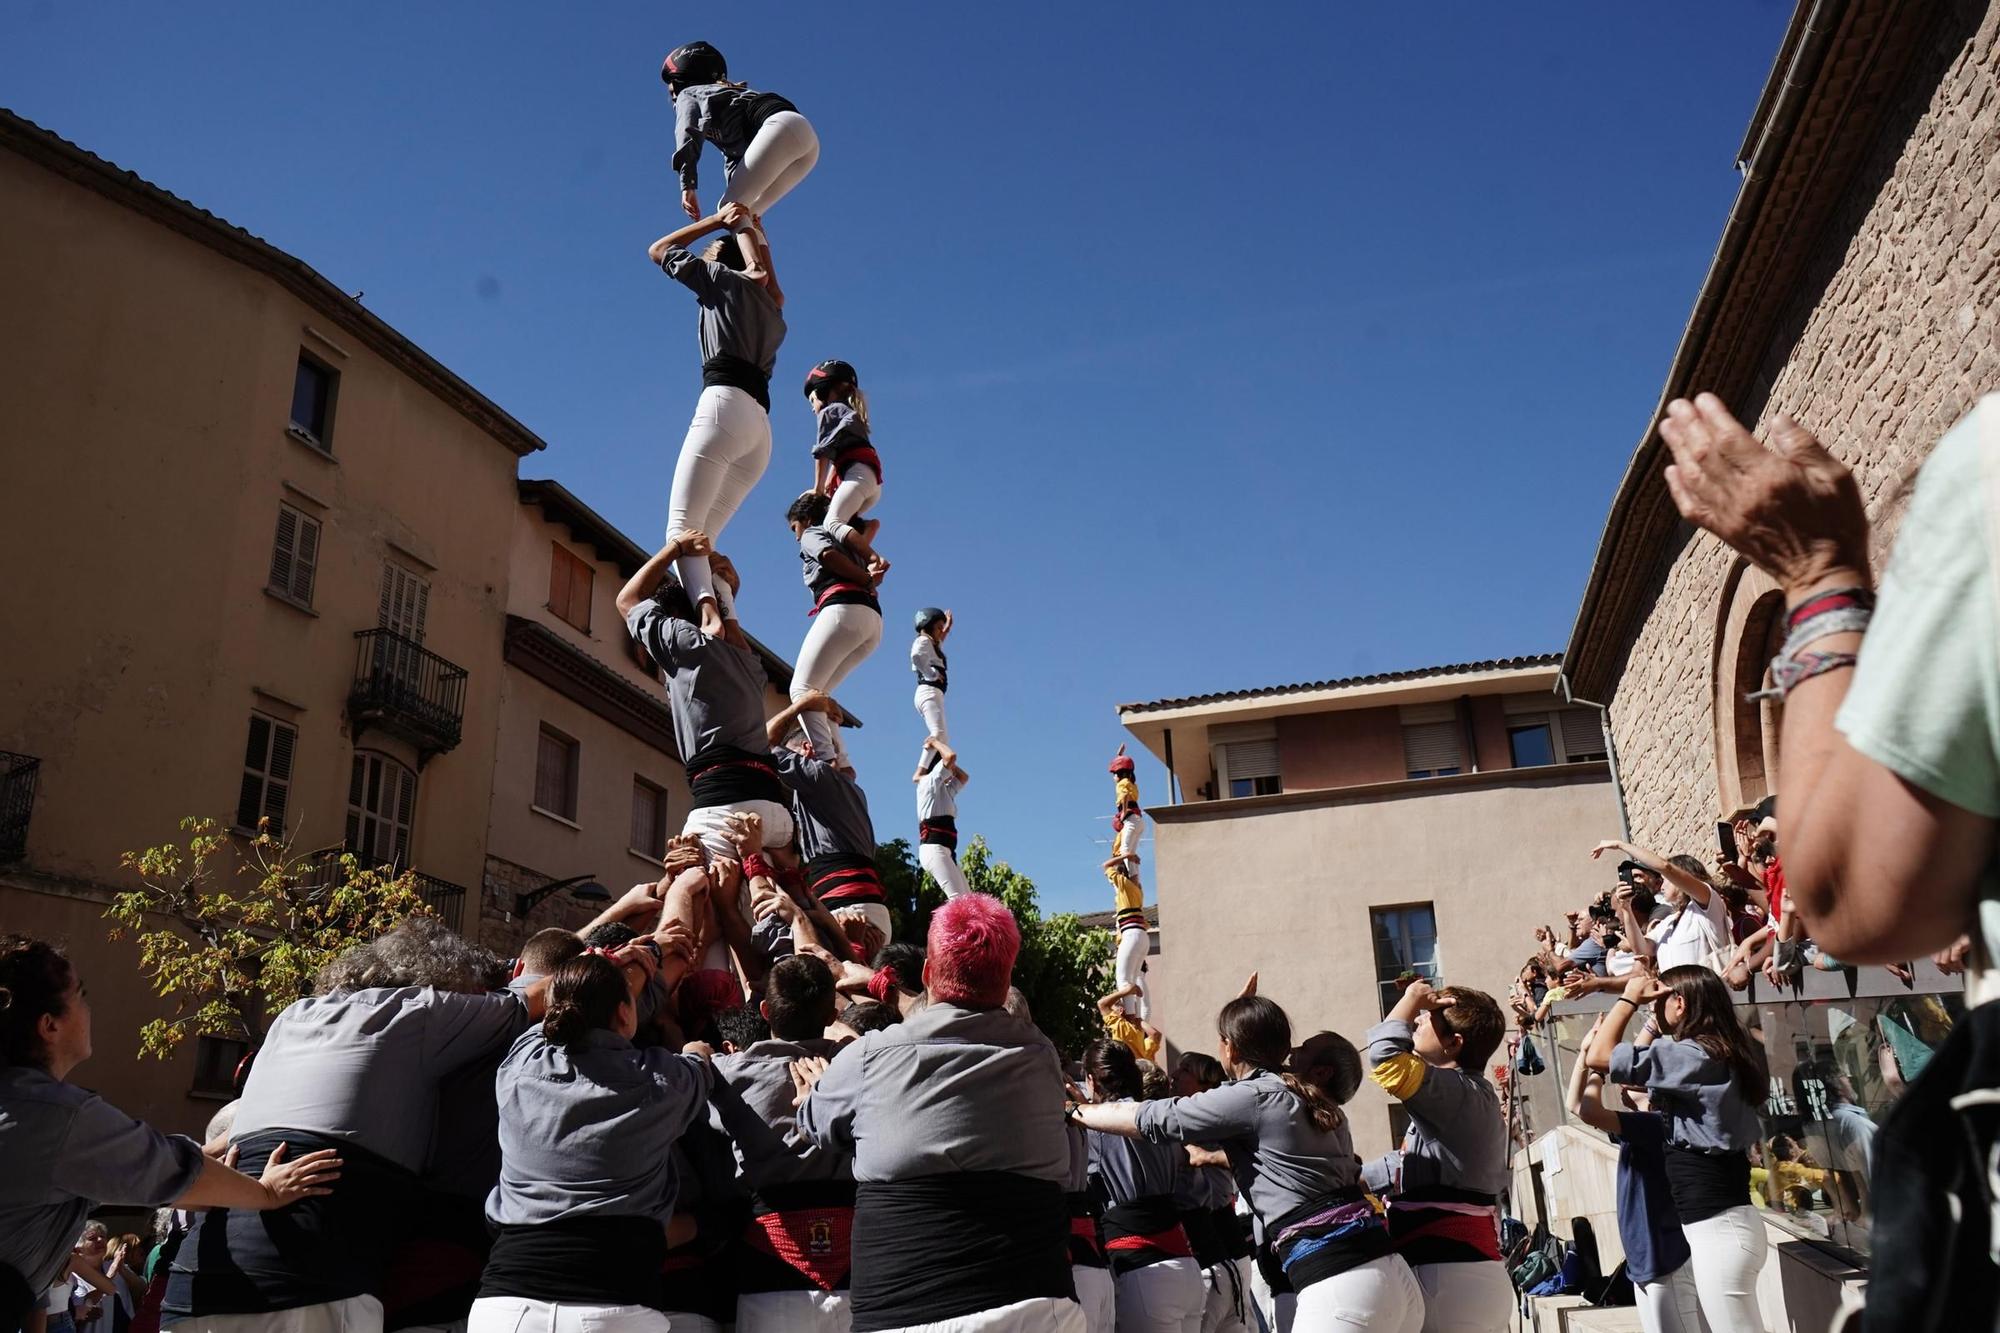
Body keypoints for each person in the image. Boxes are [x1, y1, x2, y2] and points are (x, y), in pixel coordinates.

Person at [165, 919, 528, 1333]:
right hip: (309, 1285)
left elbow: (183, 1169)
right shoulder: (421, 1011)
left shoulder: (290, 1020)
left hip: (195, 1283)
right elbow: (538, 986)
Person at [0, 935, 341, 1333]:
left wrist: (225, 1144)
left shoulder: (27, 1107)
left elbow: (132, 1161)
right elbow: (162, 1169)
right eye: (81, 995)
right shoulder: (58, 1117)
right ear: (49, 1024)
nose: (90, 1008)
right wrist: (265, 1192)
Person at [796, 895, 1085, 1331]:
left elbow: (815, 1126)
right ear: (1006, 984)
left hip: (910, 1316)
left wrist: (813, 1096)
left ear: (929, 972)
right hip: (1042, 1308)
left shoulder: (871, 1055)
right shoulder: (1042, 1055)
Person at [1074, 995, 1423, 1332]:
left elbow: (1154, 1118)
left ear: (1230, 1047)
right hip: (1392, 1275)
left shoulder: (1257, 1098)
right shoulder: (1311, 1099)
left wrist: (1076, 1111)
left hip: (1342, 1281)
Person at [470, 945, 713, 1332]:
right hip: (615, 1307)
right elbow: (698, 1065)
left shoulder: (517, 1066)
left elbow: (548, 1019)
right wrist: (697, 1051)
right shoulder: (664, 1082)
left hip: (504, 1306)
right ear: (623, 1012)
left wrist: (611, 969)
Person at [1584, 964, 1769, 1333]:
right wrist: (1652, 1019)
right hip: (1724, 1226)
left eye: (1658, 1000)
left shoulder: (1694, 1056)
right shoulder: (1716, 1051)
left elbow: (1600, 1056)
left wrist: (1628, 1001)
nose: (1652, 1007)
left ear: (1679, 1003)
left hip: (1721, 1229)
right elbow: (1632, 1077)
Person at [644, 199, 786, 637]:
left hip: (725, 409)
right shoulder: (771, 310)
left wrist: (722, 222)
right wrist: (756, 235)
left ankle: (709, 615)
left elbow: (658, 249)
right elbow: (771, 285)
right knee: (705, 538)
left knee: (682, 531)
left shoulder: (721, 280)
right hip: (758, 429)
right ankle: (731, 623)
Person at [619, 553, 799, 862]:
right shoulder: (751, 664)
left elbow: (627, 600)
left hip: (725, 807)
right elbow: (725, 632)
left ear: (674, 617)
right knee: (761, 901)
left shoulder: (684, 642)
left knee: (682, 893)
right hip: (776, 818)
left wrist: (676, 547)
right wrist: (721, 591)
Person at [709, 955, 855, 1331]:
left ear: (764, 1012)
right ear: (829, 1016)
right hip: (857, 1274)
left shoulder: (728, 1075)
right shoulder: (861, 1067)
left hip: (767, 1274)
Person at [1362, 981, 1512, 1333]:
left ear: (1453, 1044)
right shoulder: (1464, 1097)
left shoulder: (1459, 1094)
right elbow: (1418, 1162)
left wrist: (1410, 999)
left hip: (1450, 1275)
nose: (1416, 1022)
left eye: (1428, 1020)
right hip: (1459, 1276)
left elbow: (1386, 1058)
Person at [1565, 1013, 1701, 1333]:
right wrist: (1586, 1054)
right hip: (1647, 1264)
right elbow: (1575, 1105)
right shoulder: (1641, 1127)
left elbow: (1587, 1109)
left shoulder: (1658, 1126)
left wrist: (1597, 1063)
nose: (1624, 1080)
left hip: (1668, 1260)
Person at [1076, 1041, 1204, 1333]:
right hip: (1186, 1267)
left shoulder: (1097, 1125)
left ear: (1092, 1080)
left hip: (1144, 1270)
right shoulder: (1157, 1115)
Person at [664, 41, 820, 225]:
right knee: (748, 213)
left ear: (684, 80)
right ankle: (753, 253)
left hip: (780, 126)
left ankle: (750, 254)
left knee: (729, 208)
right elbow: (735, 161)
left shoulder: (689, 94)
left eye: (673, 90)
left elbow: (688, 133)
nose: (673, 99)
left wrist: (687, 185)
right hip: (807, 143)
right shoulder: (725, 103)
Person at [771, 713, 893, 949]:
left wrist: (802, 706)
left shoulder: (820, 777)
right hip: (859, 906)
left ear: (806, 750)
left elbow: (764, 743)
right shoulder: (846, 787)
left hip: (848, 908)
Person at [784, 491, 883, 759]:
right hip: (872, 621)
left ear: (805, 519)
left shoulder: (813, 532)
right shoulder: (847, 535)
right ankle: (843, 762)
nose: (795, 536)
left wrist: (865, 578)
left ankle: (827, 760)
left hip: (843, 609)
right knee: (820, 694)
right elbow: (873, 524)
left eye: (794, 527)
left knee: (802, 691)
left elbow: (827, 556)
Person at [1168, 1053, 1251, 1333]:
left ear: (1205, 1086)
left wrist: (1202, 1154)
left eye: (1185, 1070)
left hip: (1218, 1253)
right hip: (1224, 1254)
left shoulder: (1209, 1125)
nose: (1175, 1074)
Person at [1591, 840, 1729, 973]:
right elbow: (1641, 948)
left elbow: (1665, 866)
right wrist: (1626, 907)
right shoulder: (1670, 922)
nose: (1662, 885)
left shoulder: (1707, 904)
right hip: (1677, 994)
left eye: (1666, 879)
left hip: (1706, 992)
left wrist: (1620, 845)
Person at [803, 360, 886, 573]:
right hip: (869, 482)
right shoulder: (849, 414)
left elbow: (822, 452)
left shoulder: (830, 412)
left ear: (823, 391)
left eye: (812, 400)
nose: (813, 408)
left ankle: (874, 560)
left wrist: (818, 488)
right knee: (841, 523)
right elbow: (838, 457)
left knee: (832, 523)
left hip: (859, 478)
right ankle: (865, 530)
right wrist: (831, 486)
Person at [916, 741, 972, 899]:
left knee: (969, 900)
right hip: (934, 849)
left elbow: (963, 777)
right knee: (958, 901)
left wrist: (949, 765)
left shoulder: (943, 791)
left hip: (946, 851)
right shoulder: (929, 783)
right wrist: (935, 742)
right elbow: (950, 757)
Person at [1102, 858, 1152, 1020]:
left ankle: (1131, 1020)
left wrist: (1126, 855)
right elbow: (1136, 877)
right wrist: (1131, 860)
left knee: (1123, 980)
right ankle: (1137, 1020)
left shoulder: (1123, 885)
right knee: (1134, 980)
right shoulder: (1137, 890)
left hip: (1131, 935)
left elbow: (1106, 866)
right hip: (1142, 937)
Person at [910, 609, 954, 780]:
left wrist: (947, 627)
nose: (941, 632)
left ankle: (934, 770)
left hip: (933, 693)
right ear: (928, 626)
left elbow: (939, 641)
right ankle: (920, 771)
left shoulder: (931, 643)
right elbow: (916, 656)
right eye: (939, 628)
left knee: (943, 737)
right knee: (937, 733)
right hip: (928, 691)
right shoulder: (922, 641)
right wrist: (932, 674)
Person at [1097, 983, 1162, 1064]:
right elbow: (1155, 1034)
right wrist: (1138, 1019)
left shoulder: (1121, 1028)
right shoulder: (1138, 1035)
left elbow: (1102, 1004)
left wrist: (1127, 991)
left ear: (1120, 1011)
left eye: (1112, 1009)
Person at [1108, 748, 1144, 873]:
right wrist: (1119, 755)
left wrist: (1123, 812)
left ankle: (1132, 878)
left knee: (1124, 851)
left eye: (1114, 774)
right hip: (1138, 821)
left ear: (1119, 773)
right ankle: (1135, 879)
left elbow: (1124, 796)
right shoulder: (1132, 783)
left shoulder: (1121, 783)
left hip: (1131, 819)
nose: (1113, 777)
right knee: (1131, 853)